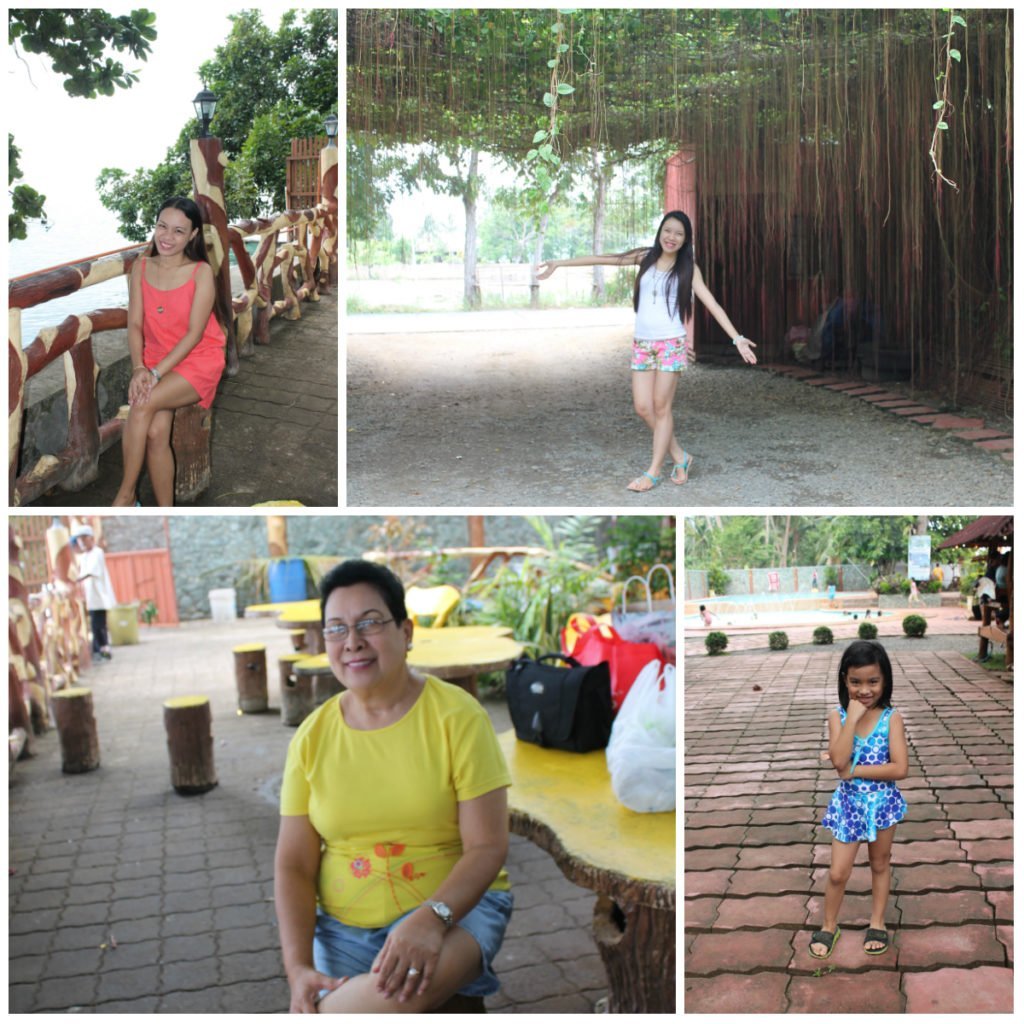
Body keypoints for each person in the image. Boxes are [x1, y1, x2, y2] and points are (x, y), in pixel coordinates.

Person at [274, 560, 513, 1013]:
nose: (353, 642)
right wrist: (297, 967)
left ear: (406, 632)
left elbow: (487, 847)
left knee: (377, 1003)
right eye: (336, 629)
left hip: (457, 913)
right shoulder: (311, 736)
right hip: (343, 928)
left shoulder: (458, 718)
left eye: (368, 623)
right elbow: (294, 866)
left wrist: (430, 918)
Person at [536, 211, 757, 492]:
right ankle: (680, 456)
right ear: (660, 231)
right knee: (643, 407)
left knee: (662, 407)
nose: (672, 237)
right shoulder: (646, 257)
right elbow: (604, 259)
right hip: (642, 343)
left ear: (686, 239)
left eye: (679, 233)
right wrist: (560, 263)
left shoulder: (689, 268)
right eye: (668, 230)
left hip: (670, 344)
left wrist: (736, 337)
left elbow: (712, 303)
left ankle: (653, 472)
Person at [112, 197, 228, 506]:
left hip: (197, 360)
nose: (167, 236)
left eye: (178, 231)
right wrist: (139, 368)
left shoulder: (200, 272)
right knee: (154, 434)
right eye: (162, 226)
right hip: (154, 361)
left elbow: (193, 335)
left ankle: (126, 495)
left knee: (141, 404)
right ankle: (166, 512)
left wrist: (153, 374)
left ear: (192, 236)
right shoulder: (141, 266)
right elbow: (134, 324)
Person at [810, 640, 908, 959]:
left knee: (880, 863)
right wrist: (851, 719)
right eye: (856, 682)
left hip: (882, 805)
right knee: (838, 872)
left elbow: (900, 768)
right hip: (849, 806)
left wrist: (856, 769)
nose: (864, 690)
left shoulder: (891, 718)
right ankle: (829, 926)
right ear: (844, 680)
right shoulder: (837, 716)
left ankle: (877, 921)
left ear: (885, 680)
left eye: (873, 682)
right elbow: (839, 763)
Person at [72, 525, 117, 660]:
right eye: (79, 539)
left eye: (84, 538)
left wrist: (77, 579)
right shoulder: (84, 556)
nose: (82, 542)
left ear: (91, 538)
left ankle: (104, 650)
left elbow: (91, 571)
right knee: (95, 625)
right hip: (91, 597)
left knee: (99, 625)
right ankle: (99, 650)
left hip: (99, 596)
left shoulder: (97, 552)